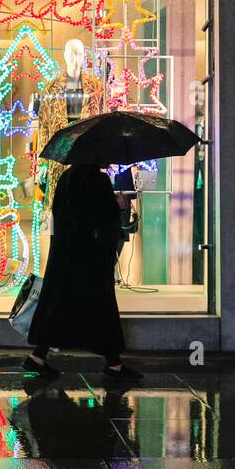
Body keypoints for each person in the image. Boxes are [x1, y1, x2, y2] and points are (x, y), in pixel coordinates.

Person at [24, 163, 142, 382]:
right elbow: (102, 220)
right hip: (90, 259)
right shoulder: (98, 181)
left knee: (61, 306)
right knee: (101, 309)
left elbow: (65, 213)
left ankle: (38, 356)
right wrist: (119, 206)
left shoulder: (67, 177)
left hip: (66, 256)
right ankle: (114, 364)